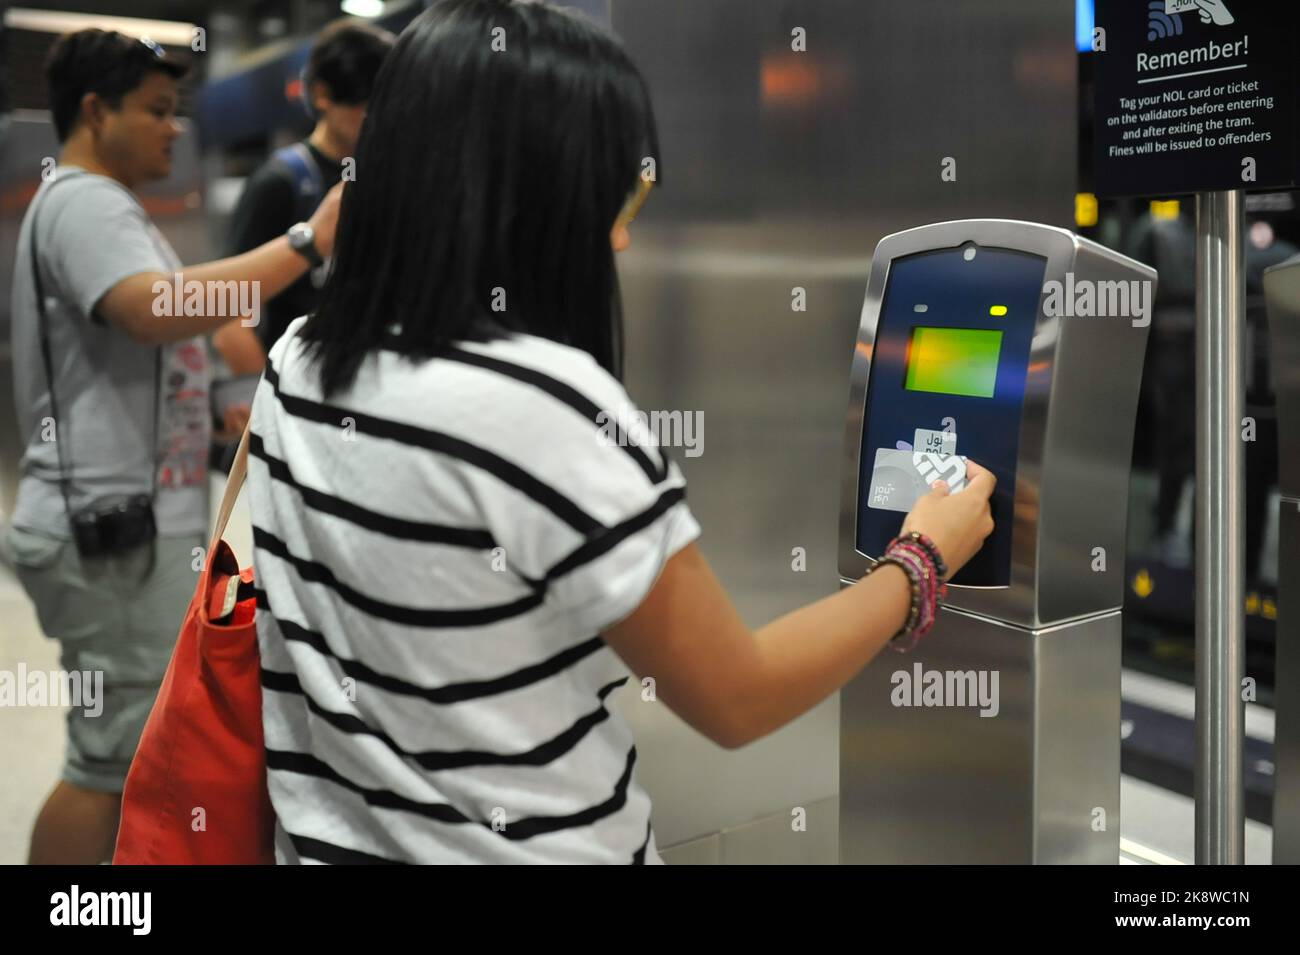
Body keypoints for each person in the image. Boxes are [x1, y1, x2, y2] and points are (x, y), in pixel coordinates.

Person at [249, 0, 994, 865]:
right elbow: (735, 695)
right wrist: (918, 564)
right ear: (528, 194)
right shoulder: (539, 406)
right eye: (614, 191)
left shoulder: (300, 357)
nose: (623, 233)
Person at [3, 28, 342, 864]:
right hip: (109, 530)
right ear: (94, 110)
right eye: (155, 112)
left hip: (125, 521)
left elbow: (173, 321)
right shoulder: (83, 199)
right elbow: (149, 308)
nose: (172, 130)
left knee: (124, 750)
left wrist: (215, 374)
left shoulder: (102, 205)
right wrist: (306, 244)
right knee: (111, 760)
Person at [214, 20, 394, 375]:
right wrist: (267, 405)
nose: (376, 119)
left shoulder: (391, 177)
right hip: (299, 390)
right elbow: (228, 315)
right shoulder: (282, 182)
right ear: (322, 95)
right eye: (363, 104)